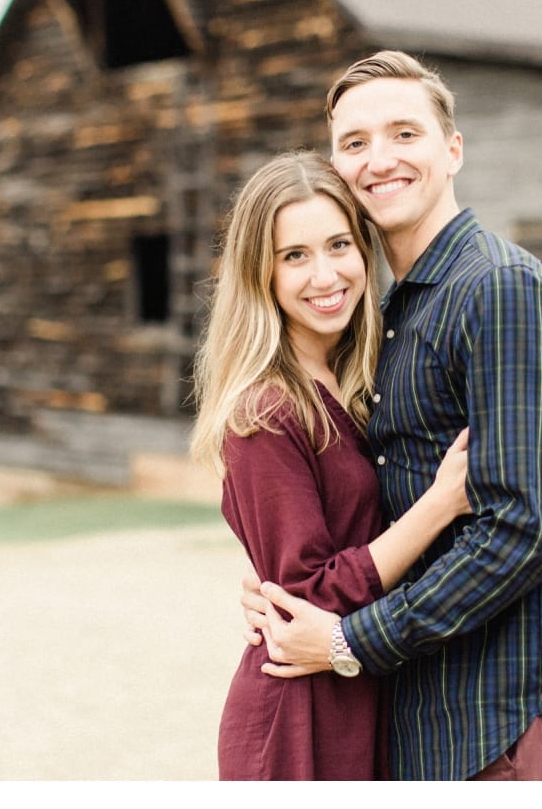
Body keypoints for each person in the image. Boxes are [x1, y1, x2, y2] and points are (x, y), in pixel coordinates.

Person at [242, 51, 542, 780]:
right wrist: (296, 588)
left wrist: (351, 640)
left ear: (452, 149)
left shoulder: (498, 291)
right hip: (432, 708)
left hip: (504, 709)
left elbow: (525, 531)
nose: (380, 160)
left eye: (405, 133)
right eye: (355, 142)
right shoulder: (397, 311)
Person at [190, 150, 474, 780]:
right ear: (260, 273)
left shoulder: (362, 382)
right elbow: (305, 595)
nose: (325, 275)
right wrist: (439, 505)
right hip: (298, 712)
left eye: (339, 244)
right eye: (295, 256)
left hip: (360, 690)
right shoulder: (266, 410)